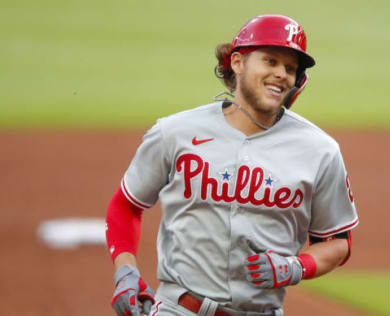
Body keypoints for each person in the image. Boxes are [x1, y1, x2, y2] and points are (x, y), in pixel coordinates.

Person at [106, 14, 359, 316]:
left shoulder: (320, 150)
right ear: (237, 62)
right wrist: (126, 271)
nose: (281, 74)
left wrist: (295, 267)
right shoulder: (175, 132)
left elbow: (336, 242)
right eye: (270, 61)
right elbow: (126, 205)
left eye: (290, 68)